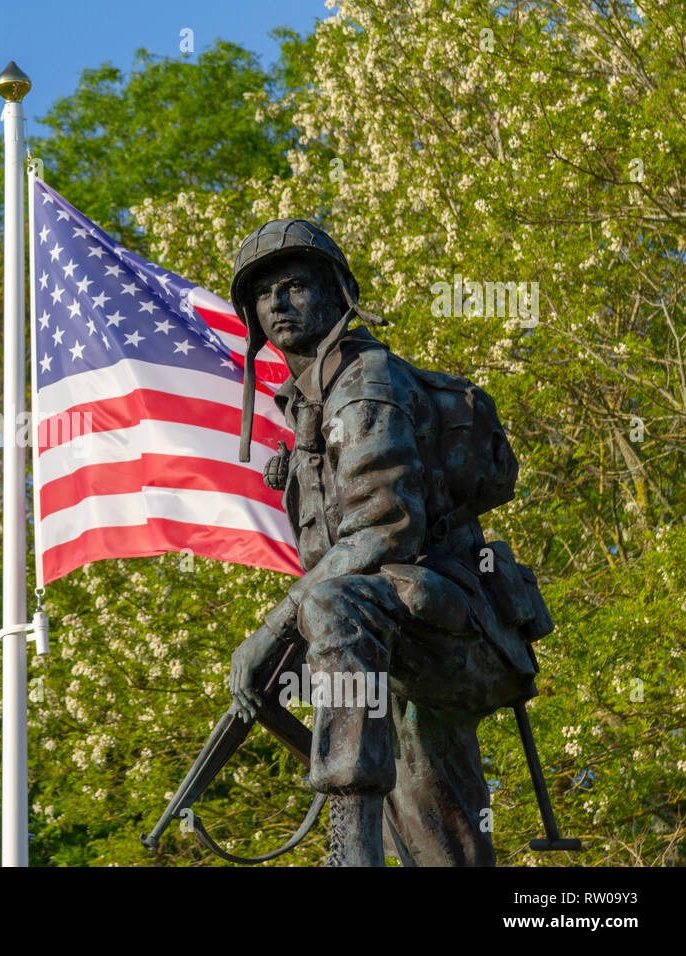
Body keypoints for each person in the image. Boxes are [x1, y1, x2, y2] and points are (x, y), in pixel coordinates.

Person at [225, 220, 552, 866]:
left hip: (452, 622)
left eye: (295, 288)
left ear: (337, 296)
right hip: (401, 636)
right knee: (438, 837)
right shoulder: (310, 406)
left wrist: (270, 633)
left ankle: (350, 846)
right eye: (266, 296)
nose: (280, 305)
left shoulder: (365, 385)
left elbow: (383, 528)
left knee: (331, 608)